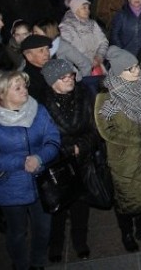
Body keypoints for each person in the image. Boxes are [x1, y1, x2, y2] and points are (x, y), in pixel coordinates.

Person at [95, 46, 141, 253]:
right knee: (126, 199)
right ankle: (126, 233)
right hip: (126, 158)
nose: (137, 72)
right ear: (117, 72)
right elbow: (105, 130)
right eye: (130, 69)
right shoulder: (107, 97)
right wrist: (140, 140)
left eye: (137, 66)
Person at [0, 70, 61, 270]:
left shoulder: (38, 110)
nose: (24, 90)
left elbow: (53, 139)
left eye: (24, 86)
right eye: (17, 88)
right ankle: (20, 264)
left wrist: (39, 157)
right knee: (17, 232)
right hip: (10, 185)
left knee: (43, 228)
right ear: (2, 94)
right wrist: (20, 162)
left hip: (40, 182)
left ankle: (37, 262)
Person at [41, 59, 96, 262]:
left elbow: (94, 127)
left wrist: (81, 145)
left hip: (82, 158)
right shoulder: (42, 103)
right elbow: (42, 136)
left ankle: (80, 241)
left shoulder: (84, 95)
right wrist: (64, 148)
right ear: (51, 82)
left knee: (81, 204)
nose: (70, 80)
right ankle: (56, 245)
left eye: (71, 75)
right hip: (57, 162)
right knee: (59, 207)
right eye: (63, 78)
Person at [59, 0, 109, 74]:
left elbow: (103, 41)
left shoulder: (92, 23)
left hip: (98, 64)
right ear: (75, 9)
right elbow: (70, 50)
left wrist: (100, 56)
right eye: (84, 8)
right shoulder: (66, 27)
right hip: (80, 68)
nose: (88, 11)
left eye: (88, 8)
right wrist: (89, 60)